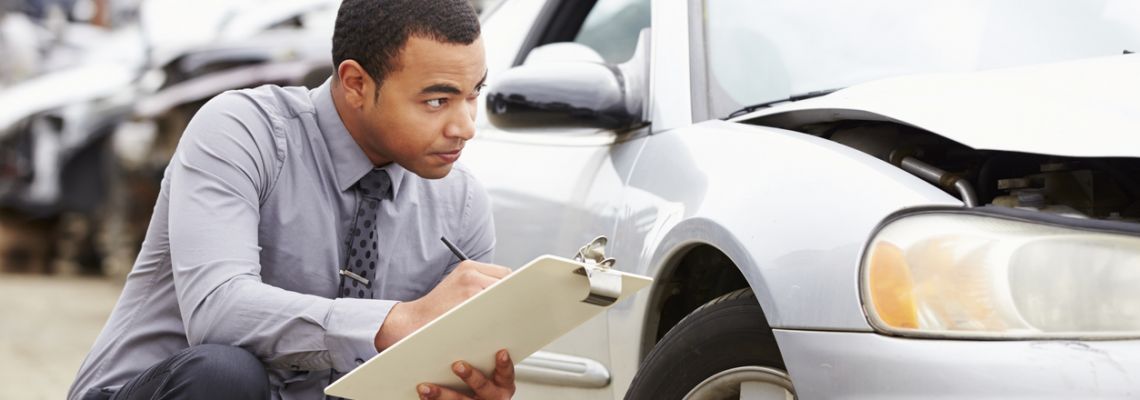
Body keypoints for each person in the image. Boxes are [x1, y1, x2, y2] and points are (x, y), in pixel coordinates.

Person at [68, 0, 515, 399]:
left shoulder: (462, 203)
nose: (465, 126)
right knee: (226, 375)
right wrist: (393, 322)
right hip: (164, 389)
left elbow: (425, 370)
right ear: (356, 83)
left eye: (474, 94)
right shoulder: (242, 131)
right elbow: (218, 311)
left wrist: (463, 385)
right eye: (437, 100)